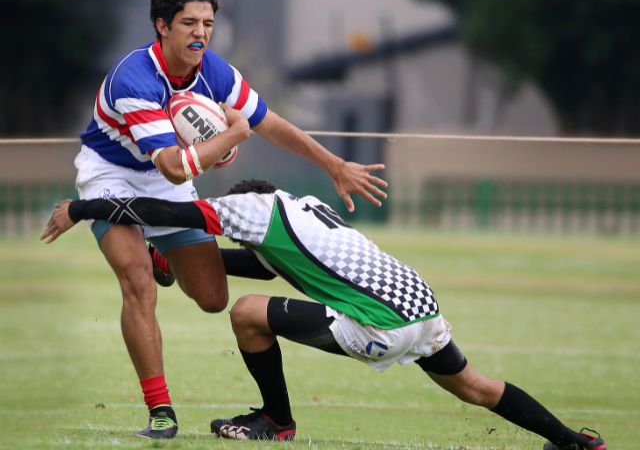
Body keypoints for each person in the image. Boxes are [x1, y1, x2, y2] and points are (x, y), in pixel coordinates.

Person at [42, 180, 606, 450]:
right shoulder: (304, 207)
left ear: (246, 203)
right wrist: (180, 264)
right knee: (474, 387)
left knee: (243, 315)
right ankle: (573, 441)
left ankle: (276, 420)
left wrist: (84, 207)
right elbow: (266, 267)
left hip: (380, 323)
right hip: (420, 303)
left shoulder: (249, 209)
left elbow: (166, 208)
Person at [72, 0, 386, 439]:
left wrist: (334, 165)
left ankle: (165, 255)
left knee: (213, 299)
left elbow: (270, 122)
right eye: (189, 23)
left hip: (166, 173)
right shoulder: (134, 79)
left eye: (208, 23)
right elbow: (177, 167)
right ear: (162, 26)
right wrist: (230, 136)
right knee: (138, 281)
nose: (201, 33)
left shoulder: (213, 70)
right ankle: (161, 411)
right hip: (111, 174)